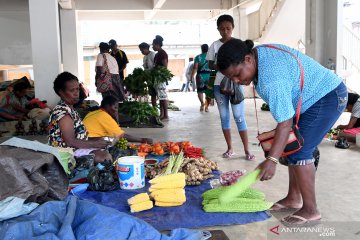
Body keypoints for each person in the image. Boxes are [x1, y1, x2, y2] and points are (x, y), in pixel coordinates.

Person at [217, 38, 347, 226]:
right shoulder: (257, 55)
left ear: (248, 59)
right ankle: (294, 198)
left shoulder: (271, 80)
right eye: (232, 78)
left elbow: (285, 124)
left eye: (237, 74)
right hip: (309, 99)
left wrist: (272, 160)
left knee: (301, 150)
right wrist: (274, 155)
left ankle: (311, 210)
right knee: (292, 146)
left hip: (327, 96)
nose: (237, 81)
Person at [206, 15, 254, 160]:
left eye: (228, 28)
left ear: (233, 28)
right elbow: (209, 64)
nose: (225, 31)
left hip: (237, 83)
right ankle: (230, 148)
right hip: (218, 86)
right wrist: (221, 66)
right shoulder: (214, 45)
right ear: (218, 30)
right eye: (222, 29)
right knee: (224, 117)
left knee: (239, 116)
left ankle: (247, 150)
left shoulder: (238, 45)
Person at [48, 71, 112, 163]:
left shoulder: (71, 110)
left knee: (105, 145)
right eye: (71, 90)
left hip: (75, 148)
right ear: (61, 93)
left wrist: (98, 140)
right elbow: (71, 142)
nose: (76, 93)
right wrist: (95, 143)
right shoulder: (63, 114)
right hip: (66, 154)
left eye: (77, 89)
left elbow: (79, 137)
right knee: (105, 157)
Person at [83, 96, 153, 144]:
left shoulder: (93, 113)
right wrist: (143, 140)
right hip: (88, 141)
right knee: (113, 139)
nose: (116, 111)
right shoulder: (104, 116)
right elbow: (121, 135)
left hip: (82, 139)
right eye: (115, 107)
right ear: (107, 106)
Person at [152, 35, 169, 120]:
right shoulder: (157, 54)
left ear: (157, 44)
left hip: (161, 77)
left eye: (153, 45)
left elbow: (165, 66)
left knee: (163, 96)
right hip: (157, 77)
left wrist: (161, 75)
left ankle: (165, 114)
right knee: (161, 97)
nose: (152, 46)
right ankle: (162, 113)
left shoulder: (162, 53)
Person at [191, 44, 211, 112]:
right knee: (208, 92)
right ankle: (207, 107)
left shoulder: (198, 57)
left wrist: (191, 77)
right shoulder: (211, 57)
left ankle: (202, 103)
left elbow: (195, 68)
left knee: (200, 91)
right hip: (209, 76)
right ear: (208, 49)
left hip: (200, 76)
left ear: (201, 49)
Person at [139, 42, 157, 107]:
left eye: (142, 50)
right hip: (148, 78)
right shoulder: (144, 57)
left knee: (156, 93)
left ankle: (159, 110)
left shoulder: (153, 54)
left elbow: (155, 66)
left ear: (146, 48)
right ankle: (154, 107)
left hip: (154, 77)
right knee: (152, 94)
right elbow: (145, 67)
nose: (141, 52)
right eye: (140, 50)